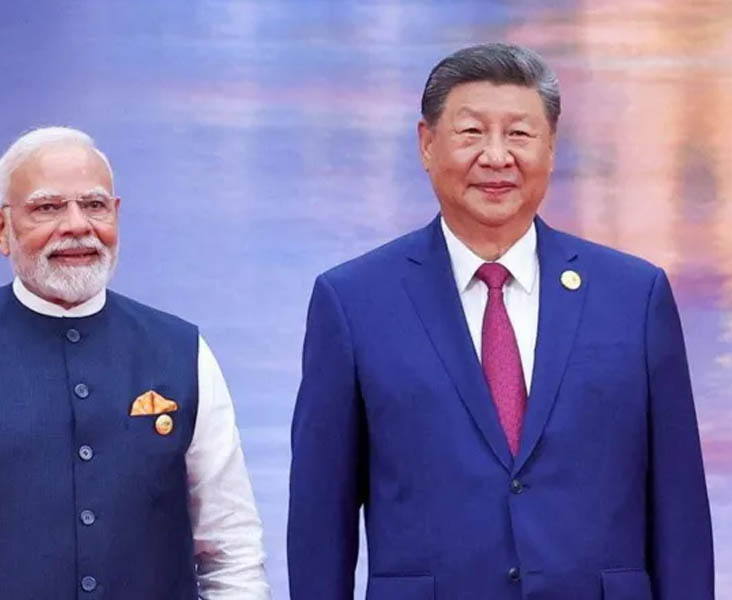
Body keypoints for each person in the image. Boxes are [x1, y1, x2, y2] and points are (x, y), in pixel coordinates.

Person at [288, 43, 713, 599]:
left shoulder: (634, 296)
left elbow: (679, 511)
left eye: (519, 134)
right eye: (471, 133)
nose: (496, 156)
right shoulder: (353, 302)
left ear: (552, 148)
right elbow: (321, 522)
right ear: (426, 144)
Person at [0, 126, 270, 599]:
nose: (76, 225)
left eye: (94, 205)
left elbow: (231, 553)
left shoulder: (182, 351)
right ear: (0, 227)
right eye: (47, 208)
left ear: (116, 215)